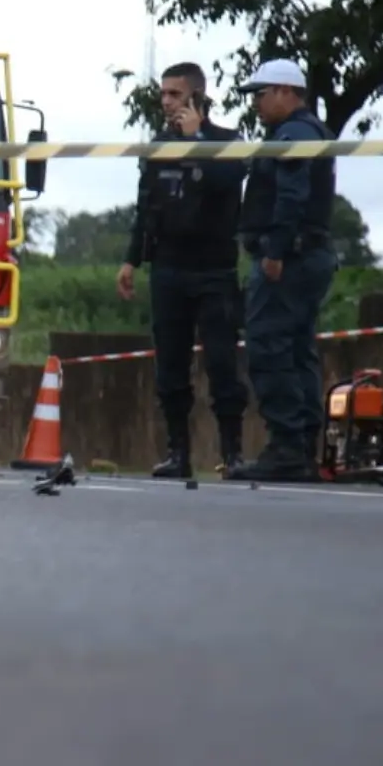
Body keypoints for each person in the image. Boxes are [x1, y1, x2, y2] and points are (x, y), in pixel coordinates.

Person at [117, 61, 250, 478]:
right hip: (168, 269)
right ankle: (178, 454)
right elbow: (147, 205)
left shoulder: (227, 142)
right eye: (164, 94)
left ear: (196, 96)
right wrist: (131, 258)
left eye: (175, 94)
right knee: (170, 368)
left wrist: (198, 140)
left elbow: (229, 184)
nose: (167, 102)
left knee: (223, 366)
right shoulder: (159, 145)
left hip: (214, 270)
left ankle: (232, 454)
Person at [227, 57, 339, 482]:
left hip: (289, 258)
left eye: (262, 94)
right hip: (305, 255)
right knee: (296, 350)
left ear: (287, 92)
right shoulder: (302, 131)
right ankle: (301, 446)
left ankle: (288, 446)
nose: (256, 103)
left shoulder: (294, 134)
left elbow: (291, 195)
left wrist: (274, 249)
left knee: (270, 347)